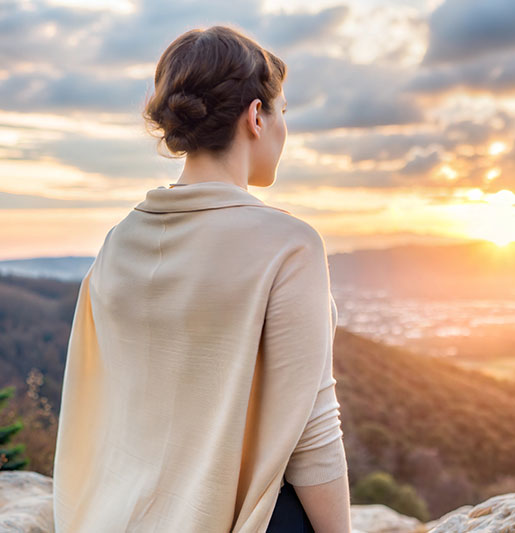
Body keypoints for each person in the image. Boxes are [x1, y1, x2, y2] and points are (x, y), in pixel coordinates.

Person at [52, 25, 351, 533]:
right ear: (257, 116)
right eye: (283, 112)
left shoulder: (118, 242)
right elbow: (313, 432)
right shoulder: (289, 245)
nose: (284, 129)